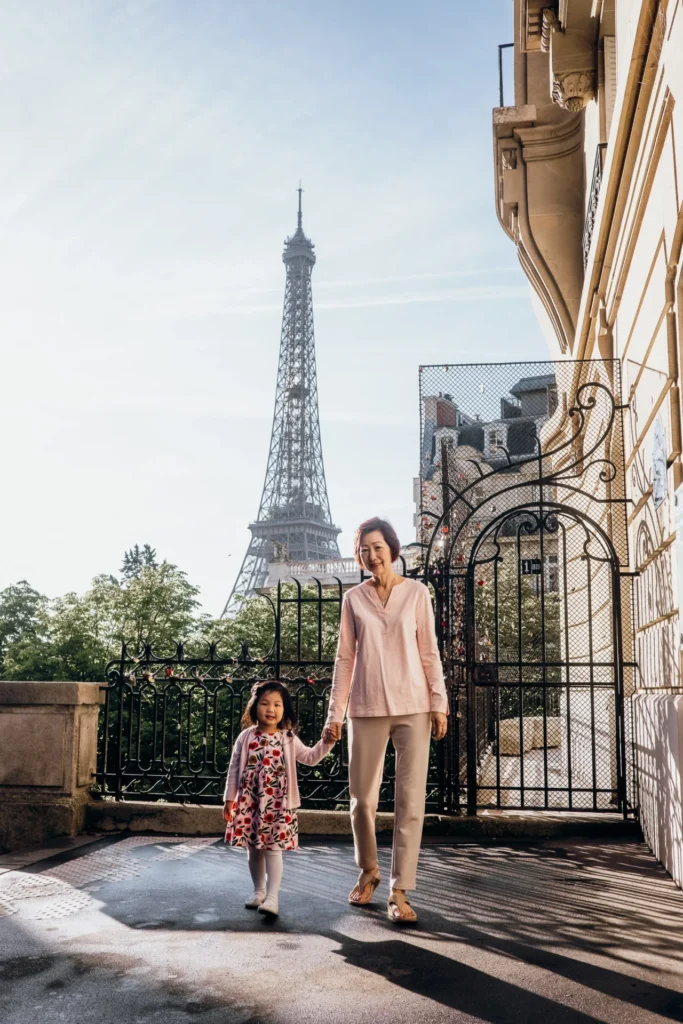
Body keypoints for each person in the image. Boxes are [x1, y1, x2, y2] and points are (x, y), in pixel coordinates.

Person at [322, 517, 448, 924]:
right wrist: (334, 715)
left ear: (392, 549)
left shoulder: (417, 594)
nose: (371, 556)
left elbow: (429, 652)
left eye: (377, 547)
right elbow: (345, 660)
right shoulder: (353, 599)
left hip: (413, 707)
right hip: (365, 707)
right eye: (363, 550)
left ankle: (400, 890)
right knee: (362, 799)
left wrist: (439, 702)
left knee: (411, 801)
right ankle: (369, 869)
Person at [224, 680, 335, 918]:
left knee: (273, 850)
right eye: (264, 703)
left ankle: (273, 897)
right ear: (254, 707)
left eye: (277, 704)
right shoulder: (245, 737)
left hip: (278, 803)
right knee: (253, 850)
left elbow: (310, 757)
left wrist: (327, 742)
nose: (270, 709)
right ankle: (259, 891)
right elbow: (234, 769)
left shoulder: (287, 738)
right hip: (250, 803)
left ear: (285, 709)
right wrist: (229, 800)